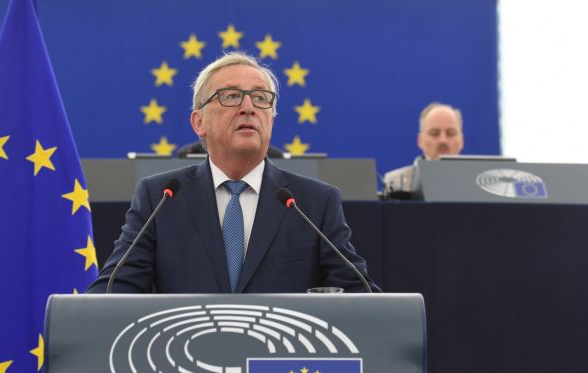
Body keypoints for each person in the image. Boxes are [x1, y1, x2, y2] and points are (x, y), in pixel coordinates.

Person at [86, 52, 377, 293]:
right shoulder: (161, 197)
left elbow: (359, 294)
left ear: (271, 120)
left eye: (261, 98)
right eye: (232, 96)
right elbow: (113, 291)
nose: (248, 107)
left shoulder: (313, 202)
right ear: (199, 122)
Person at [383, 102, 464, 195]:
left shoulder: (476, 180)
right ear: (420, 140)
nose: (443, 140)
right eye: (434, 133)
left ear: (462, 140)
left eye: (450, 133)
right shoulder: (396, 182)